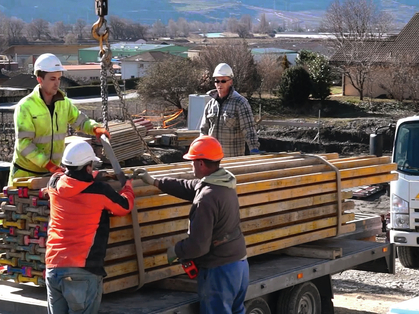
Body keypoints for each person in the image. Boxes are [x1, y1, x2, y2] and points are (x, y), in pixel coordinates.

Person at [138, 135, 249, 314]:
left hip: (219, 270)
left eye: (192, 162)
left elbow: (198, 246)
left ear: (201, 164)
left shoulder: (206, 198)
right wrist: (155, 182)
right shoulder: (223, 184)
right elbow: (189, 187)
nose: (191, 166)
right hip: (238, 265)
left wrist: (177, 251)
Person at [45, 140, 134, 314]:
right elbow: (124, 207)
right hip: (82, 270)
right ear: (87, 168)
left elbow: (69, 178)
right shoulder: (99, 191)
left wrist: (92, 176)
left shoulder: (54, 184)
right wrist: (128, 187)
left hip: (53, 267)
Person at [8, 53, 110, 186]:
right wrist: (47, 164)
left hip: (52, 174)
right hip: (25, 176)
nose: (57, 83)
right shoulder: (26, 107)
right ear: (40, 79)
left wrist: (95, 128)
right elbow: (24, 145)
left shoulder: (63, 103)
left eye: (59, 78)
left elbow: (80, 121)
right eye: (52, 79)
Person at [200, 62, 260, 157]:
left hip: (232, 159)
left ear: (230, 82)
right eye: (217, 81)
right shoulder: (210, 105)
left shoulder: (240, 103)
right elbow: (204, 131)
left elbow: (249, 129)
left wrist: (254, 149)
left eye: (223, 81)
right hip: (212, 158)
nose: (219, 84)